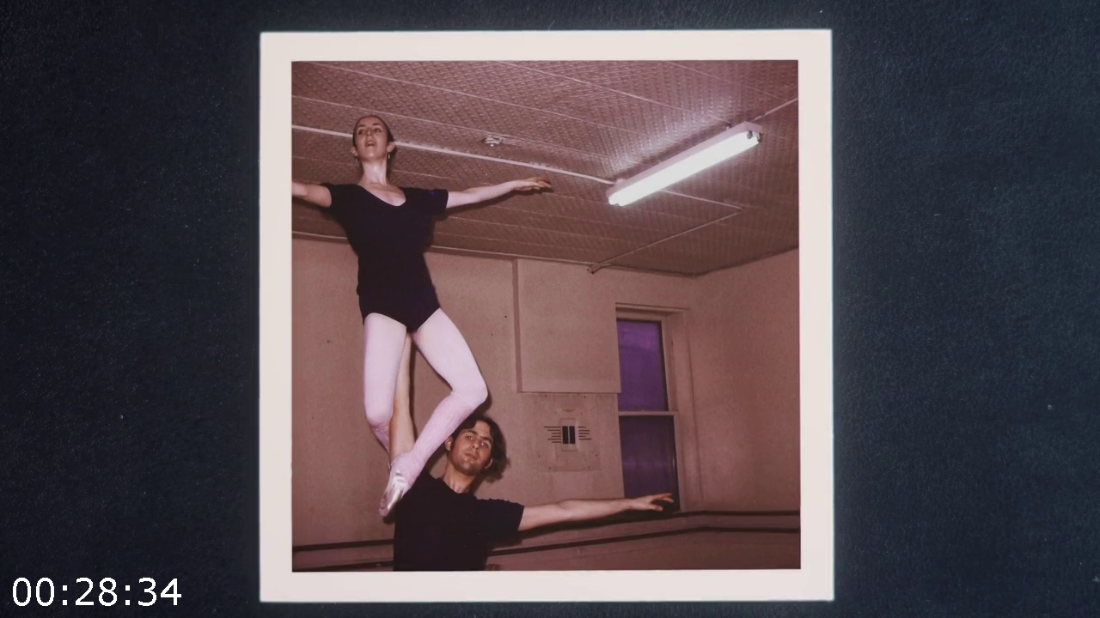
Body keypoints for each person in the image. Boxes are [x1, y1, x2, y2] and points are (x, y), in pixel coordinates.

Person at [292, 115, 551, 517]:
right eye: (361, 131)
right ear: (354, 150)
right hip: (382, 304)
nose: (369, 134)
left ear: (391, 146)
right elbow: (301, 189)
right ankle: (402, 462)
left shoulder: (416, 198)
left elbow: (470, 194)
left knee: (474, 390)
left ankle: (407, 468)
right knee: (378, 412)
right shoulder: (345, 197)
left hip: (422, 304)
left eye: (377, 129)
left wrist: (512, 184)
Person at [387, 336, 674, 571]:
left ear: (489, 463)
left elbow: (564, 510)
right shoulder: (413, 485)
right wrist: (404, 337)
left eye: (485, 443)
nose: (476, 445)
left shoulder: (488, 516)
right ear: (448, 443)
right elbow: (399, 407)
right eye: (470, 436)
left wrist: (629, 504)